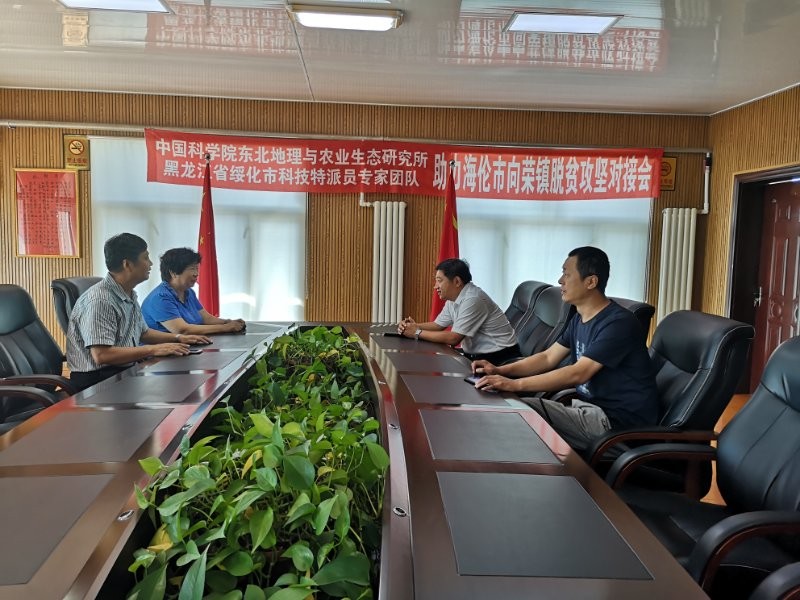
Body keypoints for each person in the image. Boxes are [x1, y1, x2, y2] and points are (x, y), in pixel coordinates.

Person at [473, 246, 657, 451]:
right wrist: (499, 371)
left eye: (567, 274)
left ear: (591, 282)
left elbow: (579, 373)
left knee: (517, 411)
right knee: (509, 408)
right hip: (587, 410)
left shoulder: (618, 323)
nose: (560, 280)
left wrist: (514, 385)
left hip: (616, 424)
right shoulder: (579, 319)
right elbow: (548, 358)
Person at [66, 233, 212, 391]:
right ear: (127, 264)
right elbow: (102, 355)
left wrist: (178, 338)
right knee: (175, 391)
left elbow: (143, 333)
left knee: (181, 383)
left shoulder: (128, 293)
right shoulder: (100, 300)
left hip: (124, 370)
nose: (150, 263)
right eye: (146, 258)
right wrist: (154, 349)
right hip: (97, 381)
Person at [397, 258, 520, 363]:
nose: (435, 286)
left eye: (439, 281)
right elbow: (438, 325)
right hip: (479, 356)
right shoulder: (454, 298)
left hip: (501, 358)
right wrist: (412, 326)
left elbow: (454, 338)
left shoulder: (473, 299)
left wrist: (416, 332)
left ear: (456, 282)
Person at [141, 247, 246, 335]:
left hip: (187, 347)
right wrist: (226, 328)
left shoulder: (189, 292)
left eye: (197, 269)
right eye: (192, 269)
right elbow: (182, 330)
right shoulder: (160, 298)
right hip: (162, 352)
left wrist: (227, 322)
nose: (196, 274)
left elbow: (206, 318)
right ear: (173, 273)